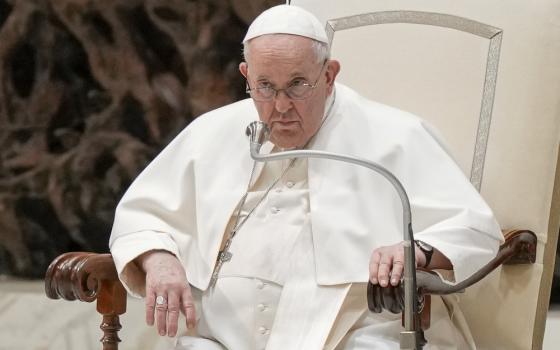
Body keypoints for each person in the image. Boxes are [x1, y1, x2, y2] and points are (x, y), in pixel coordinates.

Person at [109, 4, 503, 350]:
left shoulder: (396, 136)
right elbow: (142, 215)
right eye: (264, 86)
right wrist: (158, 259)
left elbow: (475, 229)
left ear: (329, 75)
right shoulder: (212, 131)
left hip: (353, 329)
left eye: (298, 85)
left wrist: (414, 250)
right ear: (246, 74)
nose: (280, 106)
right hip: (215, 335)